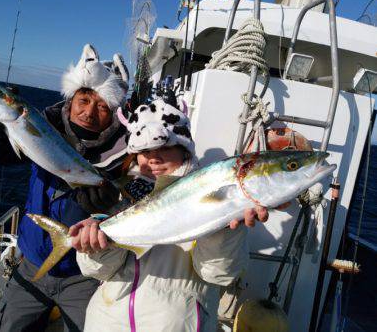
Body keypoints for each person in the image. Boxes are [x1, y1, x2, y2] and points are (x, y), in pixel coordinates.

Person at [0, 44, 130, 332]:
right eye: (84, 100)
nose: (89, 112)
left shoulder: (125, 152)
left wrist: (108, 204)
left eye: (102, 106)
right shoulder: (44, 123)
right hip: (30, 263)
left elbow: (129, 208)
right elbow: (0, 153)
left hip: (87, 274)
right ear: (71, 98)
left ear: (114, 113)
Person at [70, 99, 269, 332]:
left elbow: (219, 275)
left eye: (164, 148)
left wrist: (222, 230)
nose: (153, 158)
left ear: (184, 150)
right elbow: (98, 271)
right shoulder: (123, 197)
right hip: (105, 324)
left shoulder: (211, 198)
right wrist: (95, 246)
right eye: (144, 151)